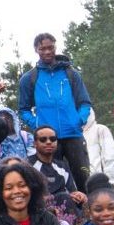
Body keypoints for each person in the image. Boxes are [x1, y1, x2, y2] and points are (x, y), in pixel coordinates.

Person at [19, 32, 93, 190]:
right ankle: (58, 213)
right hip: (48, 139)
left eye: (50, 47)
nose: (46, 52)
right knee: (52, 182)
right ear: (36, 50)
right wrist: (37, 125)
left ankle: (88, 212)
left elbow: (85, 102)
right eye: (42, 48)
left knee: (83, 178)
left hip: (73, 135)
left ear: (55, 47)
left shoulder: (71, 74)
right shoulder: (29, 78)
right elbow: (23, 109)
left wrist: (79, 120)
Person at [28, 126, 87, 214]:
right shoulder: (27, 166)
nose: (48, 142)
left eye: (53, 139)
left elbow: (72, 191)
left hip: (64, 208)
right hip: (39, 210)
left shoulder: (62, 166)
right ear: (35, 143)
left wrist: (80, 196)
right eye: (43, 139)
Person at [81, 108, 114, 186]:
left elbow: (111, 156)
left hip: (101, 183)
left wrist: (110, 182)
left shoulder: (100, 129)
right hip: (82, 186)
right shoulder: (75, 137)